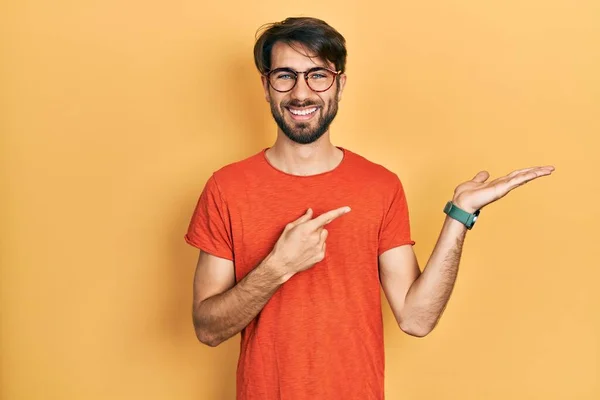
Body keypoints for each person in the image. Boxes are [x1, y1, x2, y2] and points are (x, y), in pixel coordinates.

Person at [184, 16, 554, 400]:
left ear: (340, 84)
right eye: (285, 76)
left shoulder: (380, 186)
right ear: (265, 86)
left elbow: (416, 318)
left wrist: (459, 216)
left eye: (317, 75)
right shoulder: (226, 188)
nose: (301, 93)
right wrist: (279, 266)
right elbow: (208, 329)